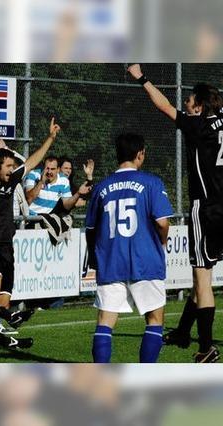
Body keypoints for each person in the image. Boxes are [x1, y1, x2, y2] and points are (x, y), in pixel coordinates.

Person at [128, 63, 223, 362]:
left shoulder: (200, 125)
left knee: (202, 279)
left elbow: (165, 106)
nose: (186, 103)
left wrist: (142, 78)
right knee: (202, 278)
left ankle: (206, 347)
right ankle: (183, 331)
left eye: (190, 100)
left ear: (199, 106)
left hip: (205, 207)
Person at [0, 111, 60, 342]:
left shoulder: (10, 182)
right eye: (8, 165)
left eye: (12, 166)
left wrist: (50, 139)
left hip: (8, 245)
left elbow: (31, 162)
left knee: (5, 295)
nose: (12, 169)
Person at [85, 133, 173, 363]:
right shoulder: (152, 182)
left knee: (105, 321)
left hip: (112, 261)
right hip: (146, 259)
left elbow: (91, 230)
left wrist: (95, 261)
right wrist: (162, 241)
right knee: (154, 319)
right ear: (140, 154)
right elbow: (162, 222)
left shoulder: (101, 187)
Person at [24, 156, 91, 216]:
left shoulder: (64, 181)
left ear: (58, 170)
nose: (49, 172)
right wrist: (41, 182)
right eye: (47, 168)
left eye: (52, 169)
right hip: (30, 218)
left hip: (49, 220)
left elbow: (68, 205)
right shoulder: (33, 175)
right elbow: (29, 199)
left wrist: (78, 193)